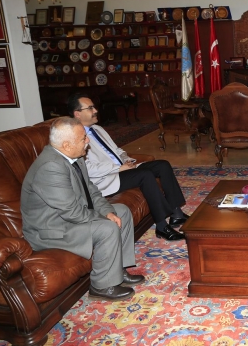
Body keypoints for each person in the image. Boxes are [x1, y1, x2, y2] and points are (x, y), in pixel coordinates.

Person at [21, 118, 144, 301]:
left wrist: (107, 212)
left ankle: (117, 270)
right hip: (51, 229)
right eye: (83, 138)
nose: (87, 141)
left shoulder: (75, 158)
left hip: (68, 218)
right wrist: (105, 219)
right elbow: (72, 213)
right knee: (107, 227)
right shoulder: (50, 167)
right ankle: (102, 286)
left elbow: (91, 190)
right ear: (66, 145)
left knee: (121, 212)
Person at [68, 94, 188, 241]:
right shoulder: (75, 138)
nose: (95, 110)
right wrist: (117, 168)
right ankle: (162, 226)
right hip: (105, 178)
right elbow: (87, 168)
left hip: (121, 168)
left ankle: (176, 214)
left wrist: (127, 160)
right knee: (145, 175)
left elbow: (116, 150)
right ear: (77, 114)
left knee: (163, 165)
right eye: (90, 108)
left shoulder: (97, 129)